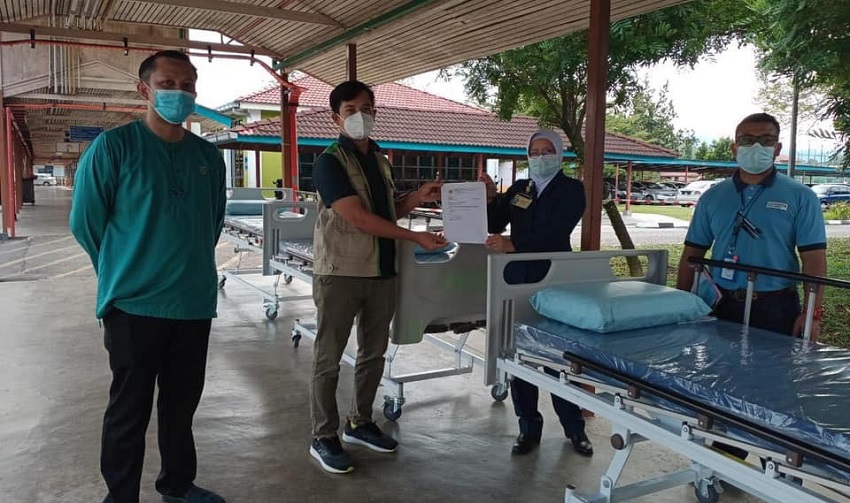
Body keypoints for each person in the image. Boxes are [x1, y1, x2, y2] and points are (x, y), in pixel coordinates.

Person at [69, 50, 226, 503]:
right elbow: (85, 223)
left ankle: (177, 485)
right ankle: (121, 496)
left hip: (192, 304)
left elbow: (212, 222)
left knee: (181, 406)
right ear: (145, 90)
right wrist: (121, 269)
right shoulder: (114, 147)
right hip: (133, 305)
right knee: (129, 410)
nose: (180, 93)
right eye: (168, 84)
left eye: (187, 85)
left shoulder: (207, 157)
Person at [308, 80, 447, 474]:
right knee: (329, 356)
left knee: (373, 353)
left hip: (382, 270)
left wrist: (416, 198)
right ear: (336, 118)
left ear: (375, 113)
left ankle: (360, 421)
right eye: (350, 110)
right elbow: (357, 218)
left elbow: (385, 212)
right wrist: (415, 237)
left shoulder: (380, 160)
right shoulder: (329, 162)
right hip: (341, 272)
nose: (360, 116)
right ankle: (323, 435)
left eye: (366, 108)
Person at [676, 112, 827, 460]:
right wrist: (681, 303)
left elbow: (814, 260)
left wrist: (812, 313)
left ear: (777, 148)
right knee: (723, 382)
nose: (755, 146)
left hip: (775, 307)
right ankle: (727, 459)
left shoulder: (800, 197)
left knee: (774, 387)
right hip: (721, 305)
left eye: (764, 140)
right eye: (747, 140)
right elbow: (692, 254)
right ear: (734, 147)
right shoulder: (714, 196)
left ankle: (778, 465)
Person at [482, 129, 593, 457]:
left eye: (547, 151)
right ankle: (528, 428)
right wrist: (489, 198)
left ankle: (575, 428)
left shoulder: (572, 190)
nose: (540, 156)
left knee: (558, 357)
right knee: (520, 355)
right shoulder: (520, 188)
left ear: (559, 154)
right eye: (535, 151)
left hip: (554, 279)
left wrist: (514, 244)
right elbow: (494, 223)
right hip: (517, 280)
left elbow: (557, 231)